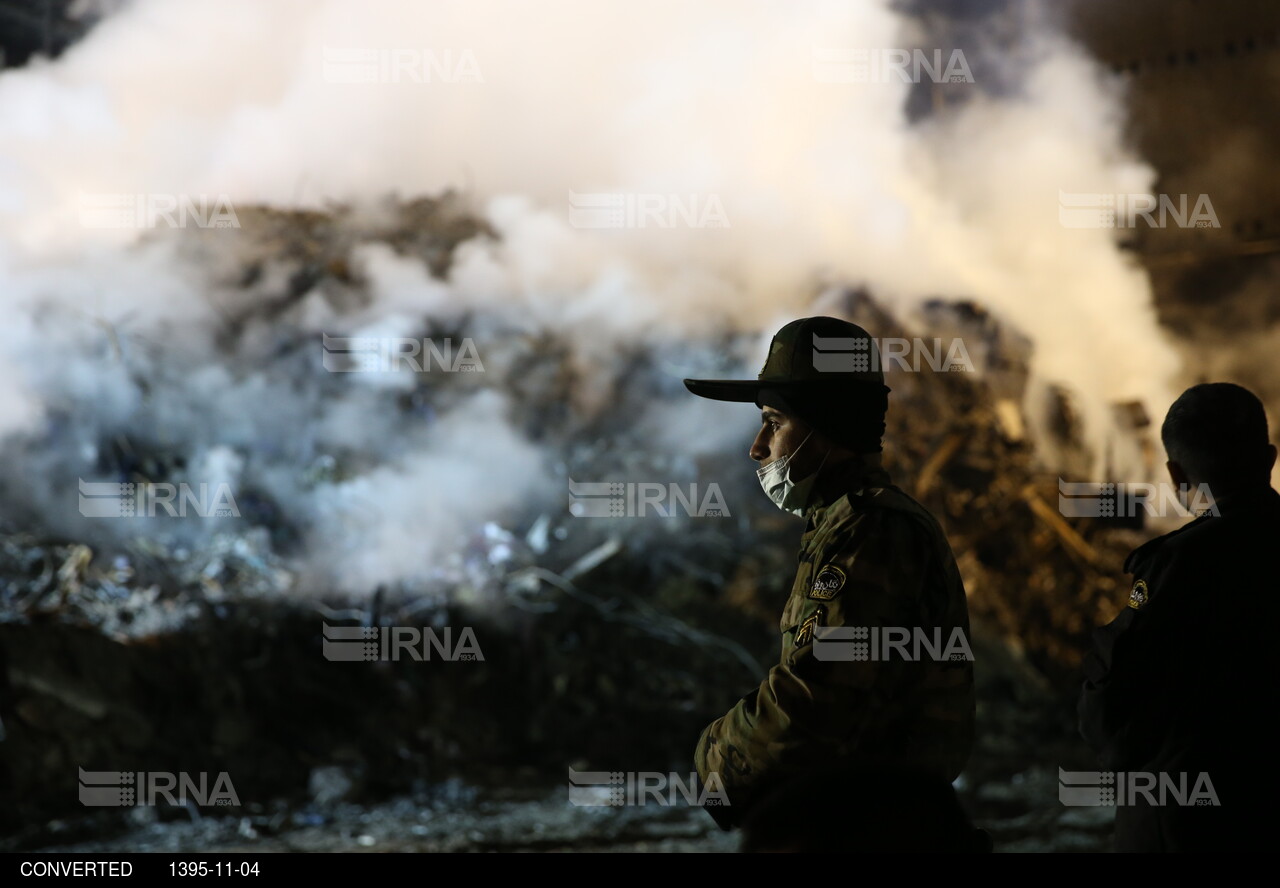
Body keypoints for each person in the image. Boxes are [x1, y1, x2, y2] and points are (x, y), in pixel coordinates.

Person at [684, 316, 975, 831]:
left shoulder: (872, 531)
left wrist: (715, 757)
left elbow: (815, 702)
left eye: (774, 422)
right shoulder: (845, 524)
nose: (758, 447)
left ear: (827, 427)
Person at [1079, 382, 1280, 852]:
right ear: (1270, 458)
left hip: (1191, 827)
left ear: (1174, 474)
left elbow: (1113, 717)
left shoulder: (1178, 564)